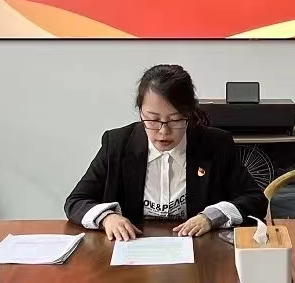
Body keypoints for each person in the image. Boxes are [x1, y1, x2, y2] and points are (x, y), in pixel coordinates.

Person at [64, 64, 268, 241]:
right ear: (140, 112)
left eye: (175, 120)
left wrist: (211, 217)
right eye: (153, 120)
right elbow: (76, 201)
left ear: (189, 115)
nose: (163, 131)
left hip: (200, 251)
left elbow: (255, 200)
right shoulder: (117, 144)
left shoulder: (216, 144)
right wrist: (107, 218)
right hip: (132, 250)